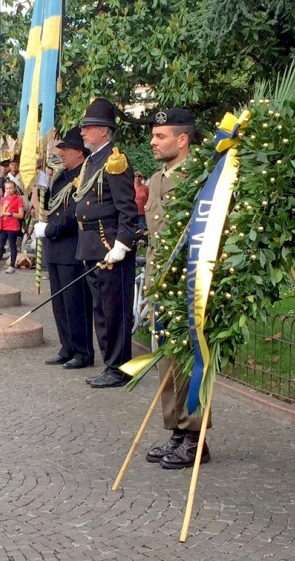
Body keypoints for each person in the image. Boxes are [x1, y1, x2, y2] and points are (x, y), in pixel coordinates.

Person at [142, 108, 213, 469]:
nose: (153, 142)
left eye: (161, 136)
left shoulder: (199, 178)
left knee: (190, 363)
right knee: (167, 363)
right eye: (154, 136)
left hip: (187, 282)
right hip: (161, 282)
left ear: (182, 139)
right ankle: (176, 430)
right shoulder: (157, 180)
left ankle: (195, 436)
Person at [73, 98, 139, 388]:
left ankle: (120, 367)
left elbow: (127, 207)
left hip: (109, 243)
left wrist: (123, 242)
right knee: (100, 309)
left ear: (102, 130)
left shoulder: (115, 160)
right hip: (91, 242)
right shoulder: (92, 161)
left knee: (114, 310)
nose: (83, 133)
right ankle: (111, 364)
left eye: (87, 128)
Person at [33, 127, 94, 370]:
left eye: (66, 149)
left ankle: (83, 350)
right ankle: (66, 346)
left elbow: (74, 213)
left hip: (71, 247)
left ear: (79, 152)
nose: (62, 154)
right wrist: (41, 186)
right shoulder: (60, 176)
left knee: (76, 303)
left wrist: (51, 229)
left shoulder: (86, 175)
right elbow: (48, 206)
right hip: (55, 249)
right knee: (59, 303)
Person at [0, 180, 25, 274]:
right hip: (3, 225)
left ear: (14, 189)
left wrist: (10, 214)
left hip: (12, 226)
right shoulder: (3, 199)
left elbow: (21, 215)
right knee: (0, 245)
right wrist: (1, 214)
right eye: (7, 188)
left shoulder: (18, 200)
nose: (9, 190)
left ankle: (12, 265)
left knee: (12, 245)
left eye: (10, 188)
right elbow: (1, 211)